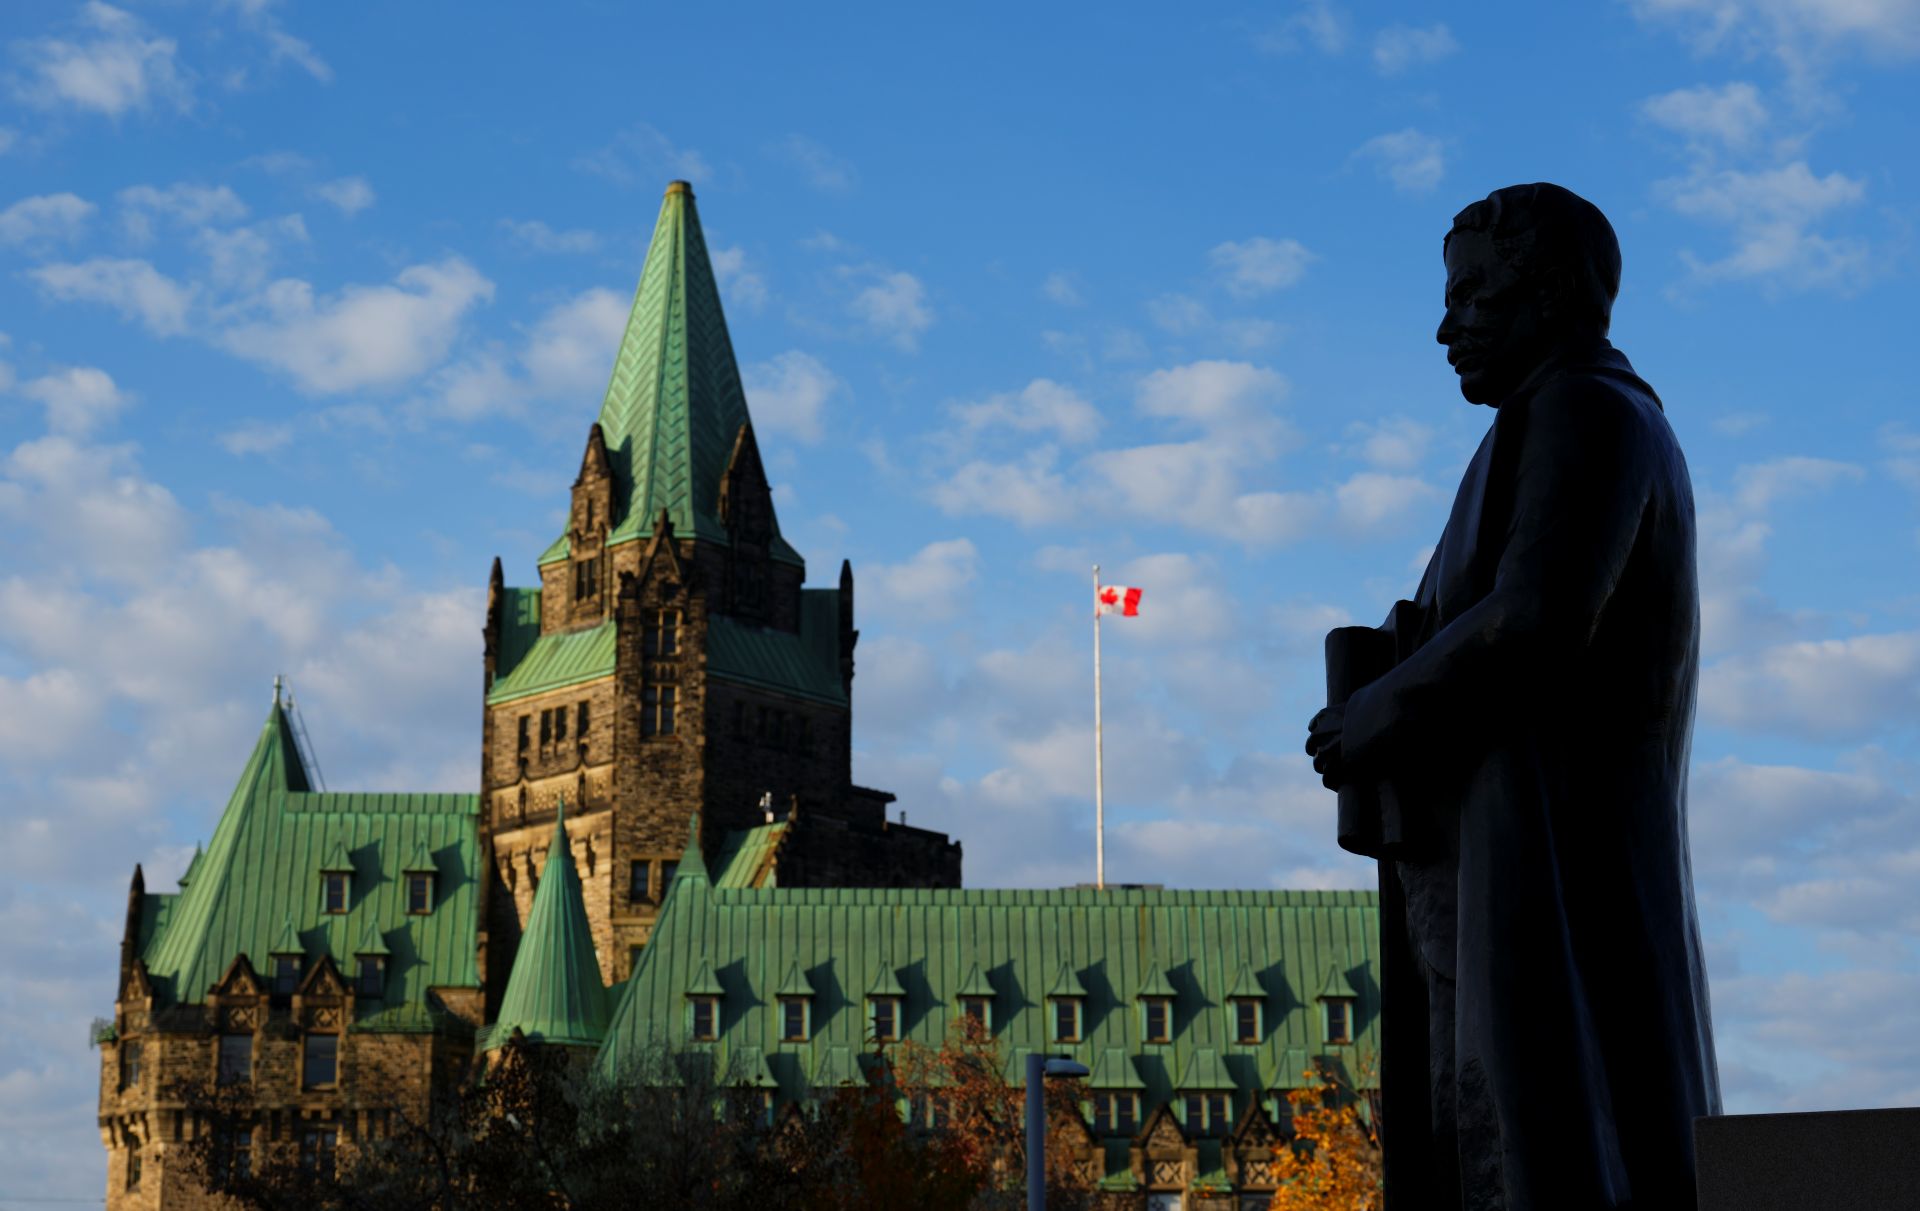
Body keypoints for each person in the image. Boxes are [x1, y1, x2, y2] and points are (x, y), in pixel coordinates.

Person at [1305, 183, 1722, 1211]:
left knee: (1550, 1129)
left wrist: (1375, 712)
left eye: (1472, 295)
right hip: (1511, 855)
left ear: (1549, 292)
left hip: (1552, 862)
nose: (1447, 326)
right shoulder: (1542, 420)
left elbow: (1536, 618)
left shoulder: (1586, 410)